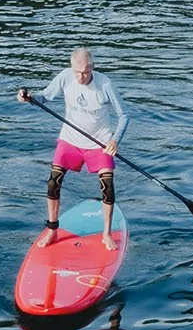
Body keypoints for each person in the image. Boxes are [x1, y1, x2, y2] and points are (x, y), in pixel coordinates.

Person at [17, 47, 128, 250]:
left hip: (99, 143)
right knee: (53, 182)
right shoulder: (65, 77)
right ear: (71, 68)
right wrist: (29, 98)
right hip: (70, 140)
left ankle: (106, 234)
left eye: (86, 72)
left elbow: (124, 116)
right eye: (77, 72)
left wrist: (115, 140)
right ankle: (52, 230)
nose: (81, 77)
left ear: (93, 68)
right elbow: (45, 97)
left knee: (108, 187)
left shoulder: (105, 85)